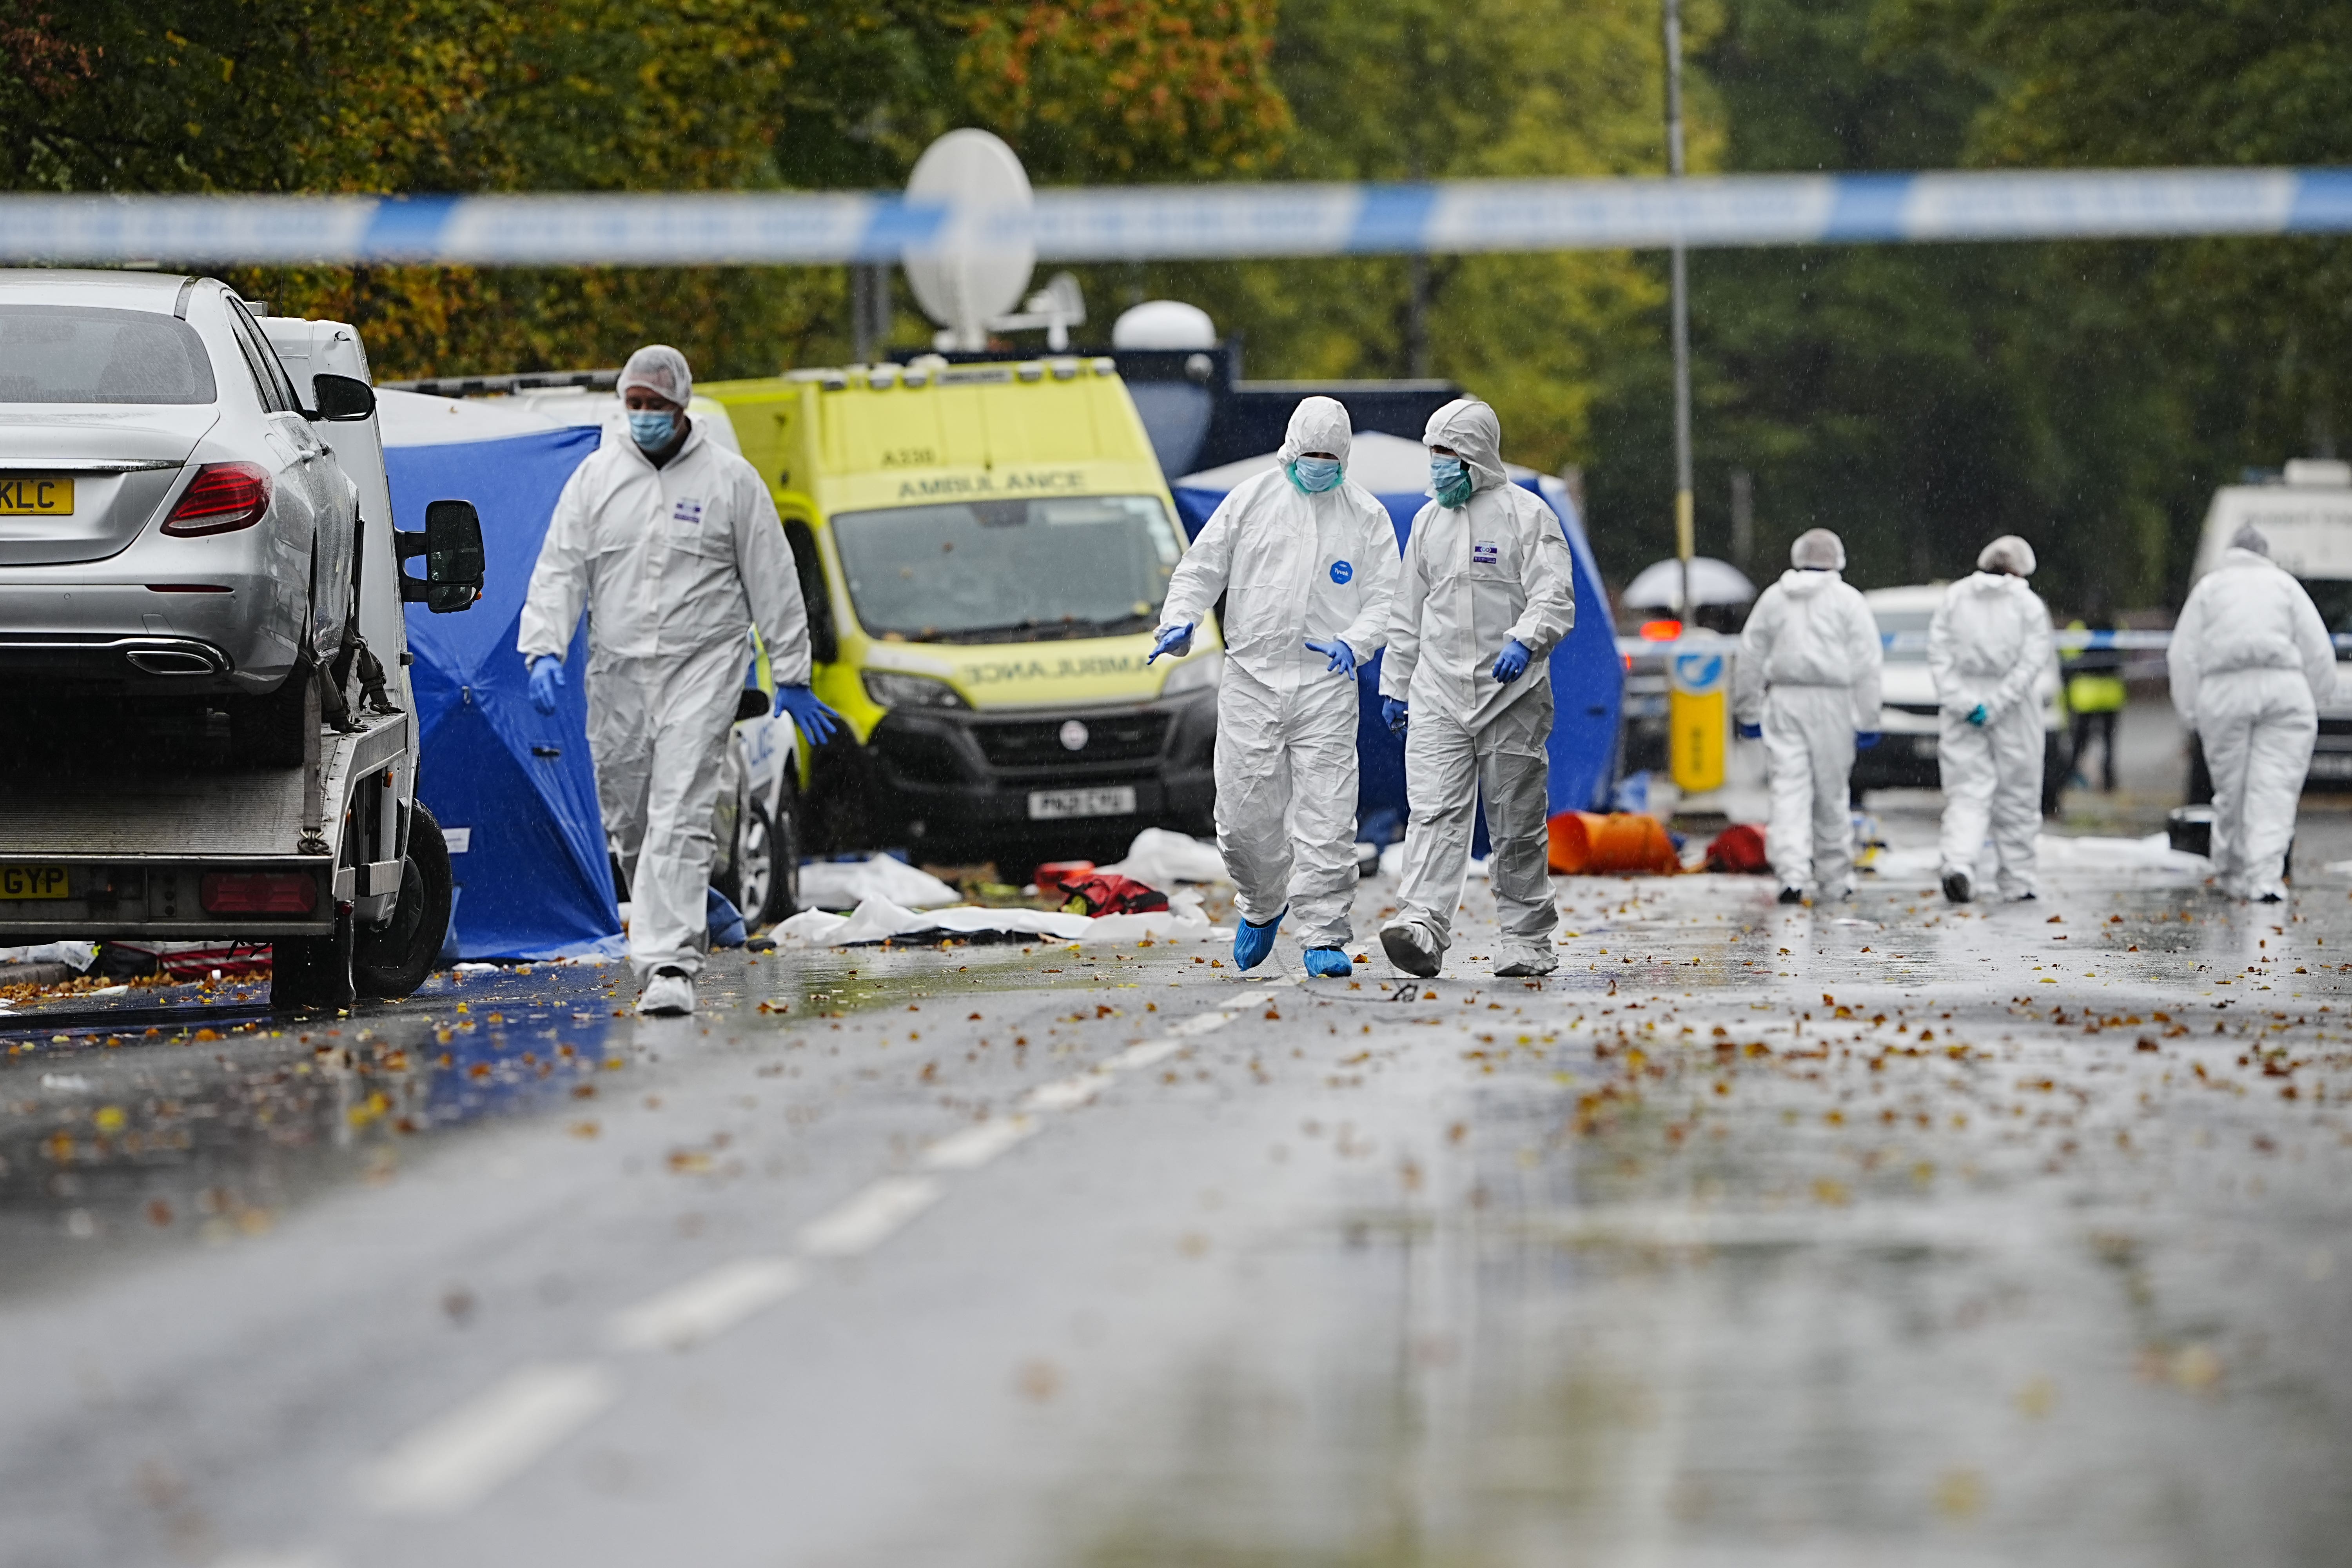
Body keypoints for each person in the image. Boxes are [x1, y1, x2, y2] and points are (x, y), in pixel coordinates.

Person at [519, 345, 839, 1015]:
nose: (643, 418)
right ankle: (700, 903)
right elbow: (560, 570)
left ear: (681, 406)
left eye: (655, 407)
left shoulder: (730, 482)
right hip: (619, 672)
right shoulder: (595, 481)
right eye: (634, 405)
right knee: (631, 819)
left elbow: (773, 579)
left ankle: (667, 965)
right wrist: (544, 650)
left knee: (680, 809)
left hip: (705, 667)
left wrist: (793, 672)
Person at [1152, 396, 1400, 977]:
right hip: (1251, 679)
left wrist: (1357, 642)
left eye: (1329, 457)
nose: (1318, 465)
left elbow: (1389, 598)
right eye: (1310, 454)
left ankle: (1324, 934)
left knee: (1328, 816)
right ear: (1291, 449)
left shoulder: (1365, 516)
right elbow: (1202, 567)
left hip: (1325, 683)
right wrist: (1180, 621)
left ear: (1344, 458)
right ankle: (1263, 903)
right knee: (1242, 820)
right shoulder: (1250, 501)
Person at [1376, 399, 1575, 979]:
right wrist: (1397, 683)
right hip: (1438, 691)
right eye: (1433, 454)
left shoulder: (1526, 516)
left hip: (1511, 696)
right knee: (1434, 812)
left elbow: (1554, 596)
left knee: (1515, 821)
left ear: (1476, 456)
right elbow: (1407, 611)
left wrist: (1526, 638)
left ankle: (1526, 938)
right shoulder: (1429, 523)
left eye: (1448, 455)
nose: (1438, 466)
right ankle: (1422, 924)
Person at [2169, 524, 2336, 902]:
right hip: (2284, 691)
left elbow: (2182, 653)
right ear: (2264, 552)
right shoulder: (2285, 586)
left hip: (2224, 692)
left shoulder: (2210, 589)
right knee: (2274, 789)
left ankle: (2229, 870)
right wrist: (2319, 696)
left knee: (2232, 790)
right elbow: (2318, 647)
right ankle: (2264, 878)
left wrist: (2190, 711)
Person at [1732, 528, 1882, 904]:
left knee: (1789, 789)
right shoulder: (1848, 601)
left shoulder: (1774, 600)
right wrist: (1869, 718)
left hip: (1784, 700)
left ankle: (1791, 875)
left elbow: (1750, 656)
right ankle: (1835, 878)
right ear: (1838, 559)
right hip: (1834, 702)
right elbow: (1867, 663)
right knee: (1831, 793)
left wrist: (1748, 710)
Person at [1929, 535, 2053, 904]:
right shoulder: (2028, 604)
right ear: (2021, 567)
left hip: (1961, 709)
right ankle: (2017, 881)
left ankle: (1959, 865)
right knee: (2018, 793)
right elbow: (2033, 661)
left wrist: (1964, 702)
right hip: (2015, 710)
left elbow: (1939, 655)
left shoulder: (1955, 598)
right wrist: (1998, 703)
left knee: (1967, 793)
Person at [2064, 614, 2127, 793]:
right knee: (2109, 742)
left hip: (2086, 694)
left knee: (2080, 740)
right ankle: (2109, 781)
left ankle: (2070, 776)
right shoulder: (2118, 625)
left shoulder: (2078, 627)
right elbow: (2124, 653)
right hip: (2111, 694)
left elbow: (2069, 655)